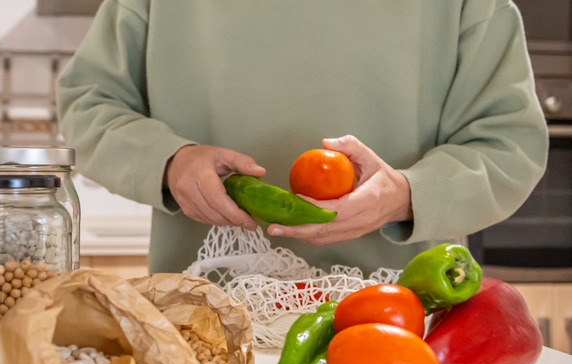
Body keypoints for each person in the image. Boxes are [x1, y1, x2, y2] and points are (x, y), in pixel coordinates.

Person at [57, 0, 548, 275]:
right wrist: (170, 162)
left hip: (401, 323)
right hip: (201, 319)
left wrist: (404, 195)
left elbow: (509, 144)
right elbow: (88, 102)